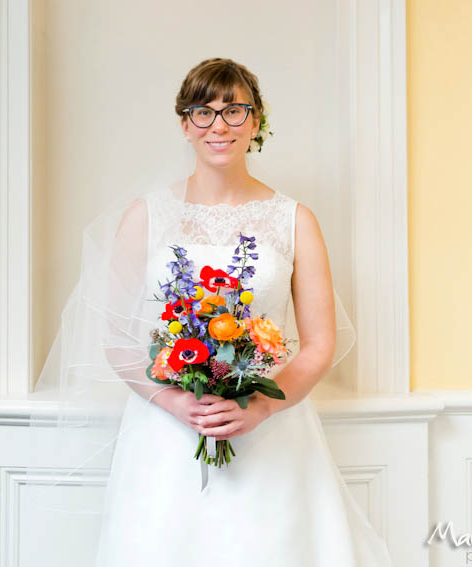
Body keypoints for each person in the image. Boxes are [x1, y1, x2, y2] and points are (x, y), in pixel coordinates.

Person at [32, 57, 394, 567]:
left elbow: (318, 344)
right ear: (184, 123)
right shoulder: (147, 216)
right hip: (165, 432)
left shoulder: (295, 220)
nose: (218, 126)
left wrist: (260, 407)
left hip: (272, 431)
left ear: (257, 121)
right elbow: (113, 337)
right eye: (202, 112)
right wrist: (175, 402)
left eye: (234, 111)